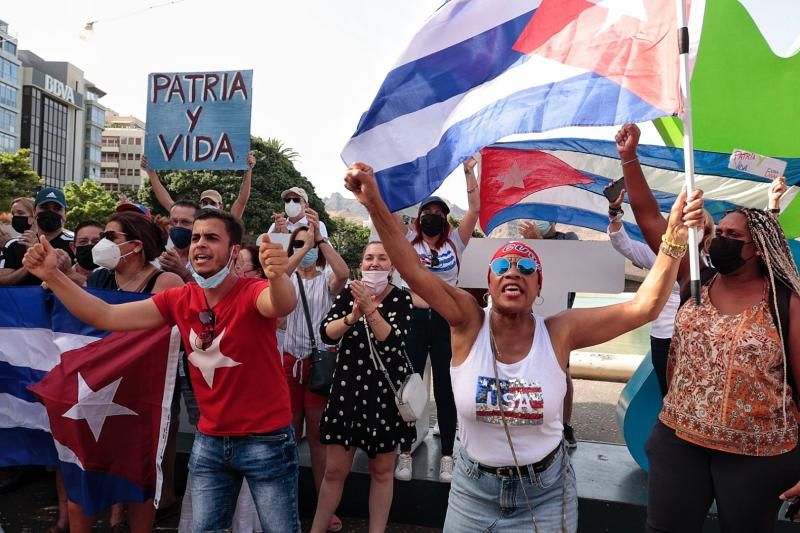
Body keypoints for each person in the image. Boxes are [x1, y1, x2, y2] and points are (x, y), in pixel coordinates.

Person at [343, 161, 703, 532]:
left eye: (526, 268)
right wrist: (373, 203)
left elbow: (643, 306)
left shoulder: (560, 332)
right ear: (489, 282)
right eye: (503, 266)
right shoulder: (468, 322)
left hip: (546, 495)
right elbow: (415, 272)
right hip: (472, 493)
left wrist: (673, 235)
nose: (514, 271)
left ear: (538, 287)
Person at [22, 209, 300, 533]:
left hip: (265, 441)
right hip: (209, 441)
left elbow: (280, 304)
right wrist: (53, 277)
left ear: (234, 250)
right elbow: (107, 316)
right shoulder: (180, 299)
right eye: (196, 237)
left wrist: (278, 276)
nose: (199, 245)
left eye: (212, 238)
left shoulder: (252, 291)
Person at [613, 124, 800, 532]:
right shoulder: (695, 278)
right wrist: (629, 157)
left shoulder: (787, 302)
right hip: (680, 442)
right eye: (722, 232)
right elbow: (648, 217)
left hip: (756, 455)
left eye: (734, 236)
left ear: (758, 249)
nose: (722, 239)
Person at [69, 211, 183, 533]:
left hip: (144, 394)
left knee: (138, 474)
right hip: (99, 390)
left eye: (111, 237)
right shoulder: (98, 279)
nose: (103, 243)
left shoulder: (166, 282)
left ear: (135, 245)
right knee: (90, 466)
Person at [310, 241, 416, 533]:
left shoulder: (402, 299)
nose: (375, 263)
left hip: (383, 395)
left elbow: (393, 341)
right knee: (334, 471)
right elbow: (327, 333)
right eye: (369, 258)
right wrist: (351, 316)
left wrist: (370, 310)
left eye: (382, 258)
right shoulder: (349, 293)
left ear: (392, 266)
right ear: (361, 264)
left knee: (382, 472)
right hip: (346, 390)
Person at [395, 156, 480, 483]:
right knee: (409, 387)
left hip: (447, 323)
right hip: (413, 321)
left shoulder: (455, 242)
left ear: (445, 219)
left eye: (438, 214)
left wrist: (468, 170)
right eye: (427, 213)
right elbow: (387, 214)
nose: (432, 217)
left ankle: (447, 454)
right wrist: (398, 173)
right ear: (418, 218)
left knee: (446, 389)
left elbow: (473, 210)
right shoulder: (407, 241)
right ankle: (404, 451)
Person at [605, 187, 715, 396]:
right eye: (685, 220)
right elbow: (622, 243)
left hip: (702, 338)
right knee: (670, 394)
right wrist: (615, 209)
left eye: (698, 222)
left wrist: (773, 204)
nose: (691, 226)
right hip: (665, 336)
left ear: (707, 229)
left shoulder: (715, 259)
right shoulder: (660, 254)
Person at [519, 219, 581, 447]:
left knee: (562, 371)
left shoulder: (569, 239)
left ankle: (565, 426)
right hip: (529, 319)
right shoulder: (522, 246)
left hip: (559, 321)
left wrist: (540, 243)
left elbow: (569, 268)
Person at [141, 152, 255, 219]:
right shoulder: (191, 221)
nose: (208, 205)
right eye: (205, 202)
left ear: (221, 207)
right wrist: (151, 173)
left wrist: (248, 170)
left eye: (212, 203)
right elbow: (168, 202)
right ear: (200, 204)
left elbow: (242, 201)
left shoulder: (228, 222)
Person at [0, 189, 74, 286]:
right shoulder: (14, 244)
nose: (50, 212)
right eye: (44, 208)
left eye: (57, 209)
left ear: (65, 215)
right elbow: (3, 280)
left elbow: (85, 283)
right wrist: (31, 262)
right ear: (34, 211)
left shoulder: (75, 244)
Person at [158, 200, 201, 283]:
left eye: (185, 222)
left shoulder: (207, 258)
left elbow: (211, 293)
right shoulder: (159, 255)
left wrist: (183, 273)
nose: (177, 226)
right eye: (173, 221)